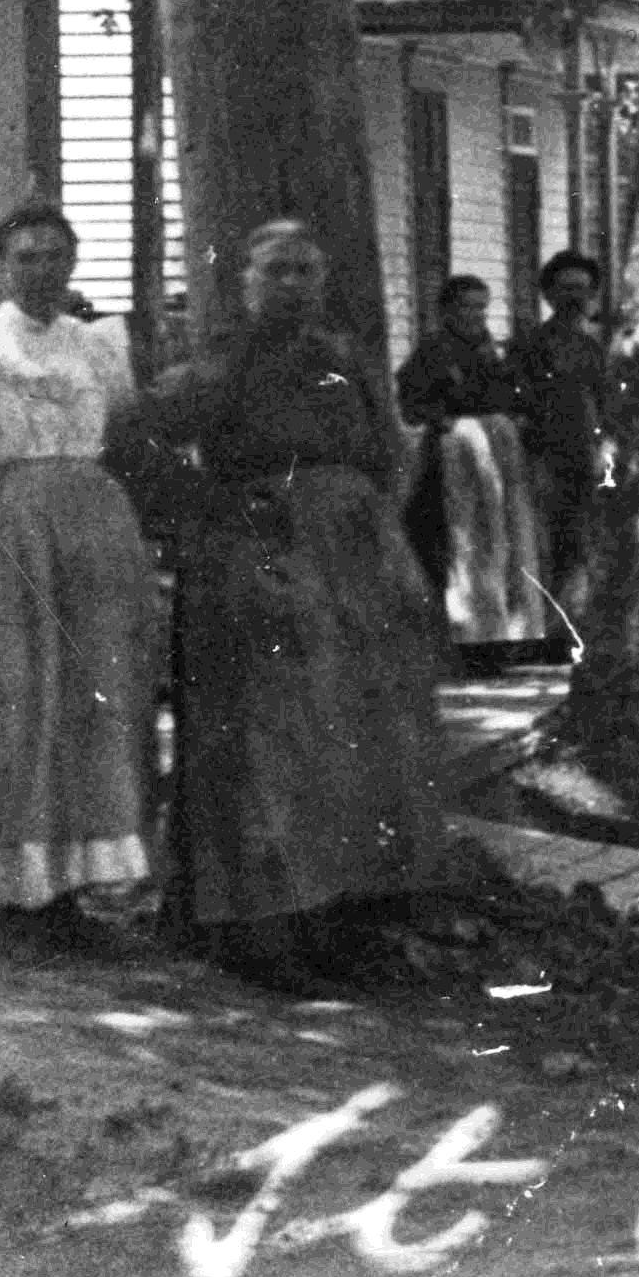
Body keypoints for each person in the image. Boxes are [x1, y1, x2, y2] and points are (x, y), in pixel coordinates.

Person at [118, 218, 466, 983]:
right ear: (245, 282)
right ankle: (263, 931)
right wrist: (208, 506)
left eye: (305, 271)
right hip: (261, 567)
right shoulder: (223, 361)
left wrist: (383, 540)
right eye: (275, 271)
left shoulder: (344, 357)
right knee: (273, 745)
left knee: (355, 738)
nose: (292, 285)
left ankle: (346, 916)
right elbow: (133, 430)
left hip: (354, 567)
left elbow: (391, 451)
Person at [0, 202, 157, 931]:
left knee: (90, 703)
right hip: (15, 533)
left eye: (54, 256)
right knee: (13, 697)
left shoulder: (99, 344)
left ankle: (79, 881)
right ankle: (6, 884)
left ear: (73, 262)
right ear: (4, 266)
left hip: (94, 533)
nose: (42, 269)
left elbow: (128, 442)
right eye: (26, 257)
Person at [394, 274, 551, 656]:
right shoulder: (433, 352)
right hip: (451, 464)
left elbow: (518, 396)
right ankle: (460, 643)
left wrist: (513, 414)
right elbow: (412, 404)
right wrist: (445, 421)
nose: (475, 315)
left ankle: (500, 639)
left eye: (482, 307)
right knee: (457, 548)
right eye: (466, 306)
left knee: (504, 544)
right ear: (446, 310)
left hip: (497, 460)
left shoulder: (492, 353)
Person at [506, 248, 611, 649]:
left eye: (582, 289)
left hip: (592, 456)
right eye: (565, 288)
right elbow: (518, 402)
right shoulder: (530, 346)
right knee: (550, 546)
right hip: (546, 457)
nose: (575, 297)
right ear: (548, 294)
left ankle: (579, 631)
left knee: (587, 545)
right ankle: (551, 636)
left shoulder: (598, 348)